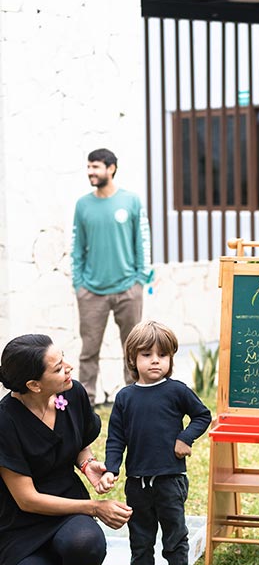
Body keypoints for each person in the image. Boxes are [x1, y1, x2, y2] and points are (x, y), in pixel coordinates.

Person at [0, 334, 133, 565]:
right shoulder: (5, 421)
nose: (69, 368)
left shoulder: (71, 394)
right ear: (34, 384)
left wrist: (88, 465)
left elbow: (78, 444)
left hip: (66, 511)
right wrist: (95, 507)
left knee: (87, 544)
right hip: (19, 525)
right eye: (59, 367)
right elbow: (27, 500)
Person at [96, 321, 212, 565]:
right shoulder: (125, 397)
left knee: (174, 532)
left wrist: (185, 438)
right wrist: (111, 468)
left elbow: (202, 415)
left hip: (170, 479)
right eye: (147, 355)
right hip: (137, 481)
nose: (156, 360)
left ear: (171, 358)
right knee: (141, 535)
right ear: (133, 359)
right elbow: (116, 438)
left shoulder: (177, 391)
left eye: (163, 354)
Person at [71, 148, 151, 406]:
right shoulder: (83, 204)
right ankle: (87, 400)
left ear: (111, 168)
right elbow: (76, 247)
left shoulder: (131, 201)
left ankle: (134, 397)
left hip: (129, 288)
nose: (90, 172)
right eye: (89, 167)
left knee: (133, 348)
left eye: (95, 167)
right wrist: (79, 284)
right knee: (89, 350)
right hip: (92, 292)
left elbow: (142, 241)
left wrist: (140, 279)